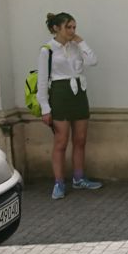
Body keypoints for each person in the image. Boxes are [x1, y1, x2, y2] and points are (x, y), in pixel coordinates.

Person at [36, 12, 102, 199]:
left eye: (74, 27)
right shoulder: (47, 50)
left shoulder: (76, 46)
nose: (72, 31)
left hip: (79, 94)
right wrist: (45, 108)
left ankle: (79, 178)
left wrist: (81, 42)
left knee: (80, 139)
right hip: (60, 94)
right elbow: (42, 81)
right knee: (61, 141)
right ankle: (59, 182)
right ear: (56, 28)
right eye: (68, 27)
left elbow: (93, 61)